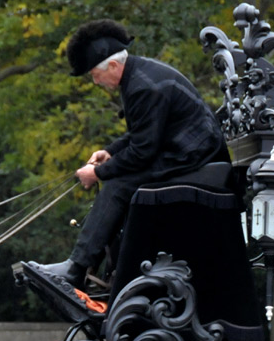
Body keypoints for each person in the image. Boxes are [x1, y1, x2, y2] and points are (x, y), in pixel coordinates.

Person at [35, 19, 230, 288]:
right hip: (185, 152)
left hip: (195, 158)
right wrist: (109, 151)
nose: (95, 81)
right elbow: (142, 133)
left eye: (95, 74)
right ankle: (93, 270)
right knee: (119, 181)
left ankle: (76, 269)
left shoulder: (142, 86)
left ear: (113, 66)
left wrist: (98, 173)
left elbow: (143, 151)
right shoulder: (139, 76)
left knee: (118, 185)